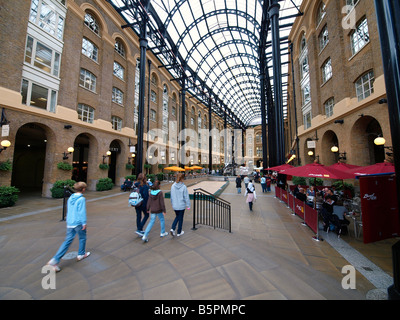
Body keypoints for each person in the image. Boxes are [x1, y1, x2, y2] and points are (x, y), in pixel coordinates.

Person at [46, 182, 90, 272]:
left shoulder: (70, 198)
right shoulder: (81, 199)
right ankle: (81, 254)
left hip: (70, 222)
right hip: (78, 222)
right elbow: (81, 212)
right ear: (83, 189)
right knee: (82, 238)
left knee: (67, 241)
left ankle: (55, 260)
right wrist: (84, 223)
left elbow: (69, 209)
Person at [170, 173, 191, 237]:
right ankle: (179, 231)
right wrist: (188, 205)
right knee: (180, 218)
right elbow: (186, 196)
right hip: (181, 205)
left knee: (177, 217)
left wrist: (172, 203)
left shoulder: (173, 186)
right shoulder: (184, 187)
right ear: (182, 178)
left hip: (175, 205)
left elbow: (171, 196)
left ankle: (173, 228)